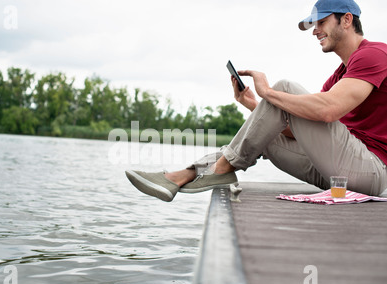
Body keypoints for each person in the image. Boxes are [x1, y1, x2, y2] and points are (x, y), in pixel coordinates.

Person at [126, 0, 387, 202]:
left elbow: (329, 111)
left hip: (370, 171)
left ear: (347, 20)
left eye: (320, 22)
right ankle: (184, 175)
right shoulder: (339, 76)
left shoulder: (374, 54)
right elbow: (297, 130)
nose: (315, 31)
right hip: (335, 171)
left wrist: (268, 93)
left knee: (284, 87)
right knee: (265, 131)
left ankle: (216, 170)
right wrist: (255, 104)